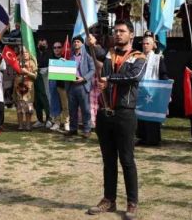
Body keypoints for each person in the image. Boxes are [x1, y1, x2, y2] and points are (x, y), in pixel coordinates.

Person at [87, 20, 146, 219]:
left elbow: (133, 76)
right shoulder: (110, 55)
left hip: (125, 114)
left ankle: (132, 202)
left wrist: (109, 79)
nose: (118, 34)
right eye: (116, 31)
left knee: (127, 160)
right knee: (108, 160)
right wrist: (91, 44)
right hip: (105, 113)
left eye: (122, 31)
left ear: (131, 34)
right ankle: (109, 200)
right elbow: (98, 55)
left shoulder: (139, 57)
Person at [136, 35, 169, 146]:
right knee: (140, 114)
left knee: (152, 115)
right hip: (140, 90)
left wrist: (166, 91)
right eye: (143, 44)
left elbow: (163, 74)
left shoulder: (158, 58)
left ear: (153, 45)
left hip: (153, 91)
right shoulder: (137, 57)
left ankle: (154, 139)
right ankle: (143, 138)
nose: (145, 46)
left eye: (147, 44)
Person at [66, 36, 95, 138]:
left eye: (78, 42)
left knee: (85, 109)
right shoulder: (69, 56)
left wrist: (83, 78)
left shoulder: (88, 56)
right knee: (72, 109)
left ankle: (87, 130)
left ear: (82, 44)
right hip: (71, 86)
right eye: (74, 42)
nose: (76, 43)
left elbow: (93, 70)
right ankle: (73, 129)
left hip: (82, 86)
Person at [14, 49, 37, 131]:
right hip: (19, 87)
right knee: (20, 106)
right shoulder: (17, 62)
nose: (25, 54)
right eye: (22, 53)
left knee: (29, 107)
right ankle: (20, 125)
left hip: (29, 88)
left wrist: (27, 72)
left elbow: (35, 76)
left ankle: (28, 125)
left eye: (26, 52)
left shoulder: (32, 62)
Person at [49, 41, 69, 132]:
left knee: (65, 104)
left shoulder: (66, 57)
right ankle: (56, 122)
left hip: (63, 85)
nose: (57, 49)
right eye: (55, 47)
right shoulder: (49, 58)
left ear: (62, 48)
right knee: (55, 103)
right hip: (53, 84)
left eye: (59, 47)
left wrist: (65, 62)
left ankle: (66, 122)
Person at [32, 38, 52, 129]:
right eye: (40, 44)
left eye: (44, 44)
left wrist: (47, 69)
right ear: (37, 45)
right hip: (36, 77)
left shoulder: (50, 53)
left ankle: (49, 119)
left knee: (46, 98)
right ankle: (39, 120)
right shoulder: (34, 53)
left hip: (46, 77)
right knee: (37, 99)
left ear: (47, 45)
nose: (42, 45)